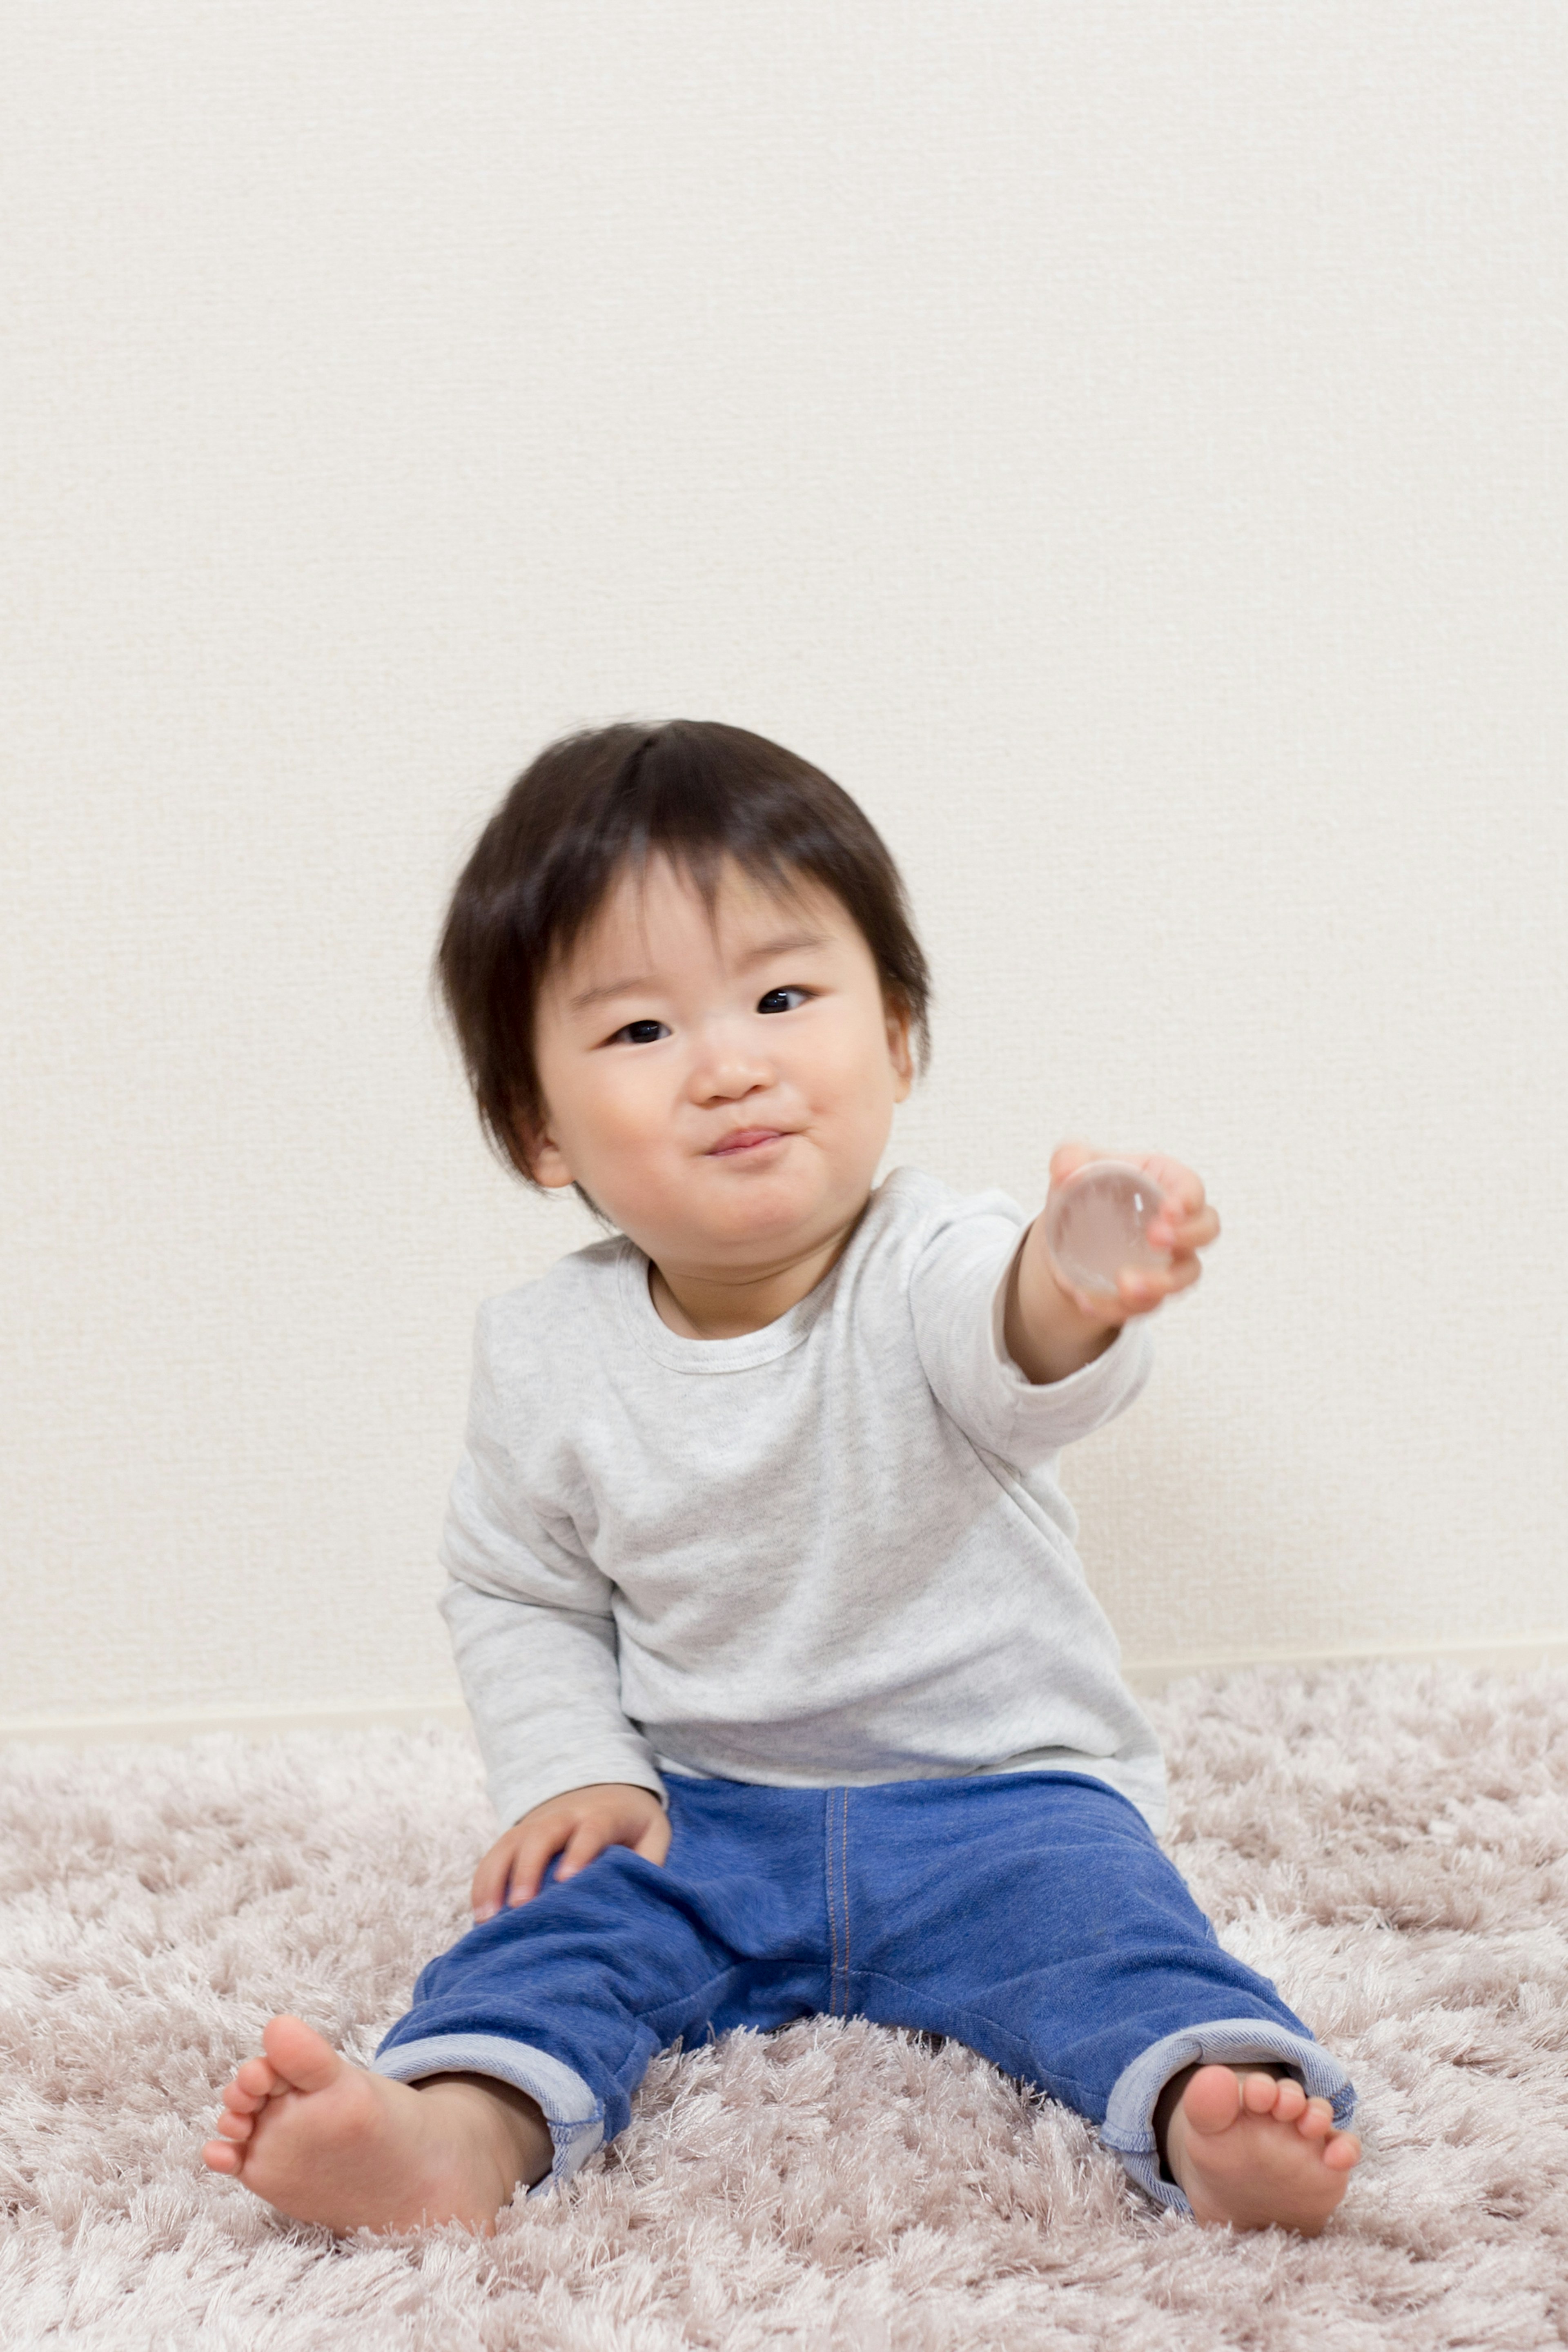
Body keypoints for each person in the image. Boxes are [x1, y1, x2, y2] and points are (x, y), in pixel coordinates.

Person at [201, 720, 1361, 2237]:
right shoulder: (547, 1351)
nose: (731, 1064)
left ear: (896, 1037)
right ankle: (451, 2137)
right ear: (537, 1128)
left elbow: (1013, 1346)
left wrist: (1076, 1274)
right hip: (702, 1819)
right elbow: (516, 1584)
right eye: (640, 1033)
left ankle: (1203, 2108)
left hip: (1002, 1800)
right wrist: (579, 1771)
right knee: (548, 1945)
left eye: (783, 996)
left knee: (1114, 1929)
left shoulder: (937, 1258)